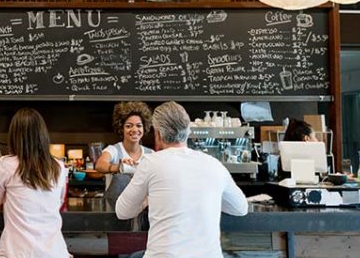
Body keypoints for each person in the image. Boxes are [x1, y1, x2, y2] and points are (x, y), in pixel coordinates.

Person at [116, 101, 248, 258]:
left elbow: (123, 211)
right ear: (188, 130)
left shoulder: (151, 162)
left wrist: (148, 199)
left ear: (158, 134)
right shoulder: (214, 164)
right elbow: (240, 208)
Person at [0, 107, 70, 258]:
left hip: (16, 252)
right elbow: (59, 203)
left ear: (14, 135)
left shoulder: (6, 164)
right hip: (56, 252)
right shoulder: (59, 166)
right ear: (43, 134)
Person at [95, 101, 154, 206]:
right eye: (129, 126)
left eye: (139, 126)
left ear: (144, 128)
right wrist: (118, 167)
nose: (134, 130)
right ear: (121, 128)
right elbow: (100, 165)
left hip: (142, 208)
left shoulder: (150, 155)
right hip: (114, 209)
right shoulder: (114, 150)